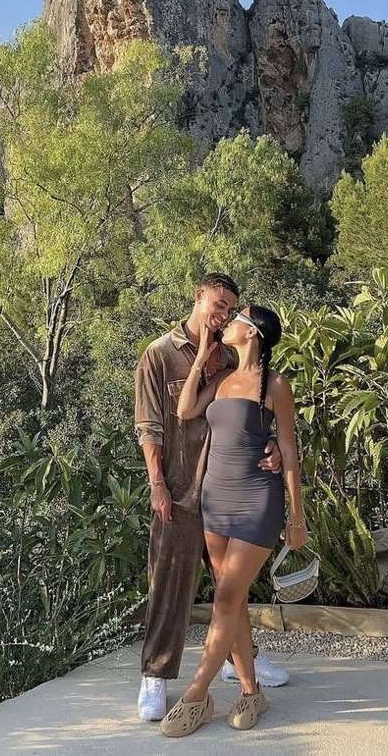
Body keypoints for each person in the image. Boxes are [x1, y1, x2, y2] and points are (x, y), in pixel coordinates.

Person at [134, 274, 289, 722]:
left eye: (231, 309)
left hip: (227, 487)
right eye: (219, 304)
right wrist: (157, 484)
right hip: (180, 490)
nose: (223, 314)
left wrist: (273, 446)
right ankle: (156, 675)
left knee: (229, 587)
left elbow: (252, 414)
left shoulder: (231, 356)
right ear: (198, 297)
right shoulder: (159, 354)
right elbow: (151, 425)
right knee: (168, 579)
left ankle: (241, 668)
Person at [159, 304, 308, 738]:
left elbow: (290, 450)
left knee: (225, 598)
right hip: (216, 499)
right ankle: (250, 692)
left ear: (254, 333)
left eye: (236, 319)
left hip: (256, 500)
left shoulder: (275, 386)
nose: (228, 324)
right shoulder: (222, 380)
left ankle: (197, 695)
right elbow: (186, 410)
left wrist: (296, 516)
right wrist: (203, 356)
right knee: (234, 600)